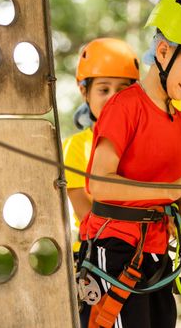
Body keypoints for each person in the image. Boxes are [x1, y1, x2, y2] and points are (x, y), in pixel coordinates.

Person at [77, 0, 181, 328]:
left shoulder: (180, 124)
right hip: (114, 250)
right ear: (163, 51)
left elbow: (176, 201)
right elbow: (100, 185)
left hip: (155, 255)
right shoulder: (125, 107)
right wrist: (169, 187)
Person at [62, 38, 140, 256]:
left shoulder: (142, 144)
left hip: (144, 252)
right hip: (97, 255)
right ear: (84, 92)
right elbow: (85, 213)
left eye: (122, 90)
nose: (113, 98)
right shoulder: (75, 148)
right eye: (103, 89)